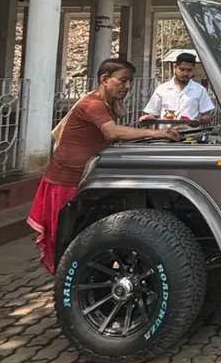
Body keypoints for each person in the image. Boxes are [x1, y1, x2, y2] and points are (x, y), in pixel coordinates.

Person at [27, 57, 180, 273]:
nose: (127, 87)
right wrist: (158, 132)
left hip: (81, 179)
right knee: (69, 245)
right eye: (123, 81)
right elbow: (112, 132)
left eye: (130, 82)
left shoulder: (105, 104)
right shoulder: (93, 104)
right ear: (105, 79)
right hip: (66, 182)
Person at [139, 52, 215, 127]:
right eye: (182, 69)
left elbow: (207, 116)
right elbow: (152, 113)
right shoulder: (162, 89)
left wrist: (198, 121)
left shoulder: (200, 90)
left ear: (193, 70)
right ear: (175, 68)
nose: (185, 73)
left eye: (189, 70)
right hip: (165, 135)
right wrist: (148, 118)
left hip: (190, 136)